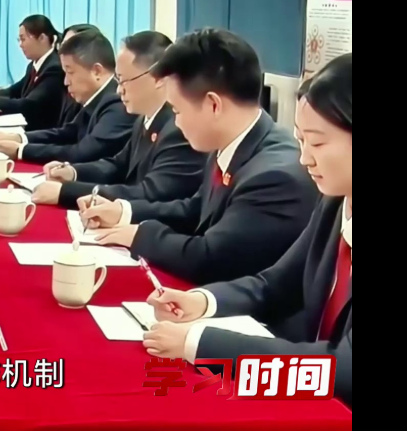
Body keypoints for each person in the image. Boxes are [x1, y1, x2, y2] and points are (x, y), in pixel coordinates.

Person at [142, 53, 352, 407]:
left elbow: (344, 370)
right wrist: (204, 302)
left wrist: (199, 344)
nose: (304, 159)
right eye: (300, 140)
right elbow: (275, 285)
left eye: (317, 143)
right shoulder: (335, 201)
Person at [80, 29, 319, 284]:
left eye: (177, 110)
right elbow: (194, 210)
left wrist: (140, 236)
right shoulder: (230, 142)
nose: (175, 122)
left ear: (213, 105)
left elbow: (210, 258)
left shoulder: (274, 177)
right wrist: (123, 212)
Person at [31, 31, 205, 208]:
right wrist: (73, 172)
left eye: (124, 81)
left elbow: (149, 193)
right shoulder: (144, 118)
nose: (119, 90)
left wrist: (66, 192)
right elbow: (117, 165)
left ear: (158, 78)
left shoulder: (178, 129)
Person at [0, 30, 136, 165]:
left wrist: (21, 150)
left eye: (70, 72)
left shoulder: (117, 104)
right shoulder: (98, 97)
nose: (66, 81)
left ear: (96, 71)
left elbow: (82, 153)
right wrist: (17, 138)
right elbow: (67, 133)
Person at [0, 15, 66, 131]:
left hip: (39, 131)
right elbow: (14, 91)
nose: (20, 45)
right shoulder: (34, 65)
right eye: (19, 40)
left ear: (42, 38)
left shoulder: (54, 68)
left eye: (23, 39)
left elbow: (30, 105)